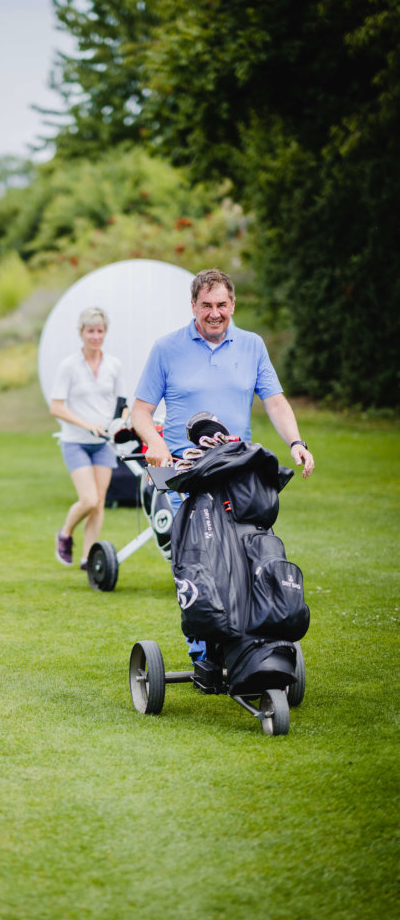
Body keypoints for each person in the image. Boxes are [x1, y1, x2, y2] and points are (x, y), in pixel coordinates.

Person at [131, 267, 314, 659]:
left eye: (222, 305)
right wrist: (156, 443)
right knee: (199, 562)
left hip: (240, 475)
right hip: (187, 477)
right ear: (193, 305)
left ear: (233, 304)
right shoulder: (167, 348)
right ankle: (204, 652)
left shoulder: (252, 345)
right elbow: (141, 412)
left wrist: (296, 442)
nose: (215, 313)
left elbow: (275, 401)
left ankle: (251, 644)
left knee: (250, 556)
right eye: (206, 305)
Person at [49, 306, 127, 570]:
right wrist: (86, 424)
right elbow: (56, 407)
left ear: (105, 333)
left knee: (99, 503)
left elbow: (122, 403)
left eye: (100, 331)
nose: (95, 336)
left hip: (104, 444)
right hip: (75, 441)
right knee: (89, 499)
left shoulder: (113, 365)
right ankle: (66, 533)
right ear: (81, 333)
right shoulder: (69, 366)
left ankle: (87, 556)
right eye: (90, 331)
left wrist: (122, 422)